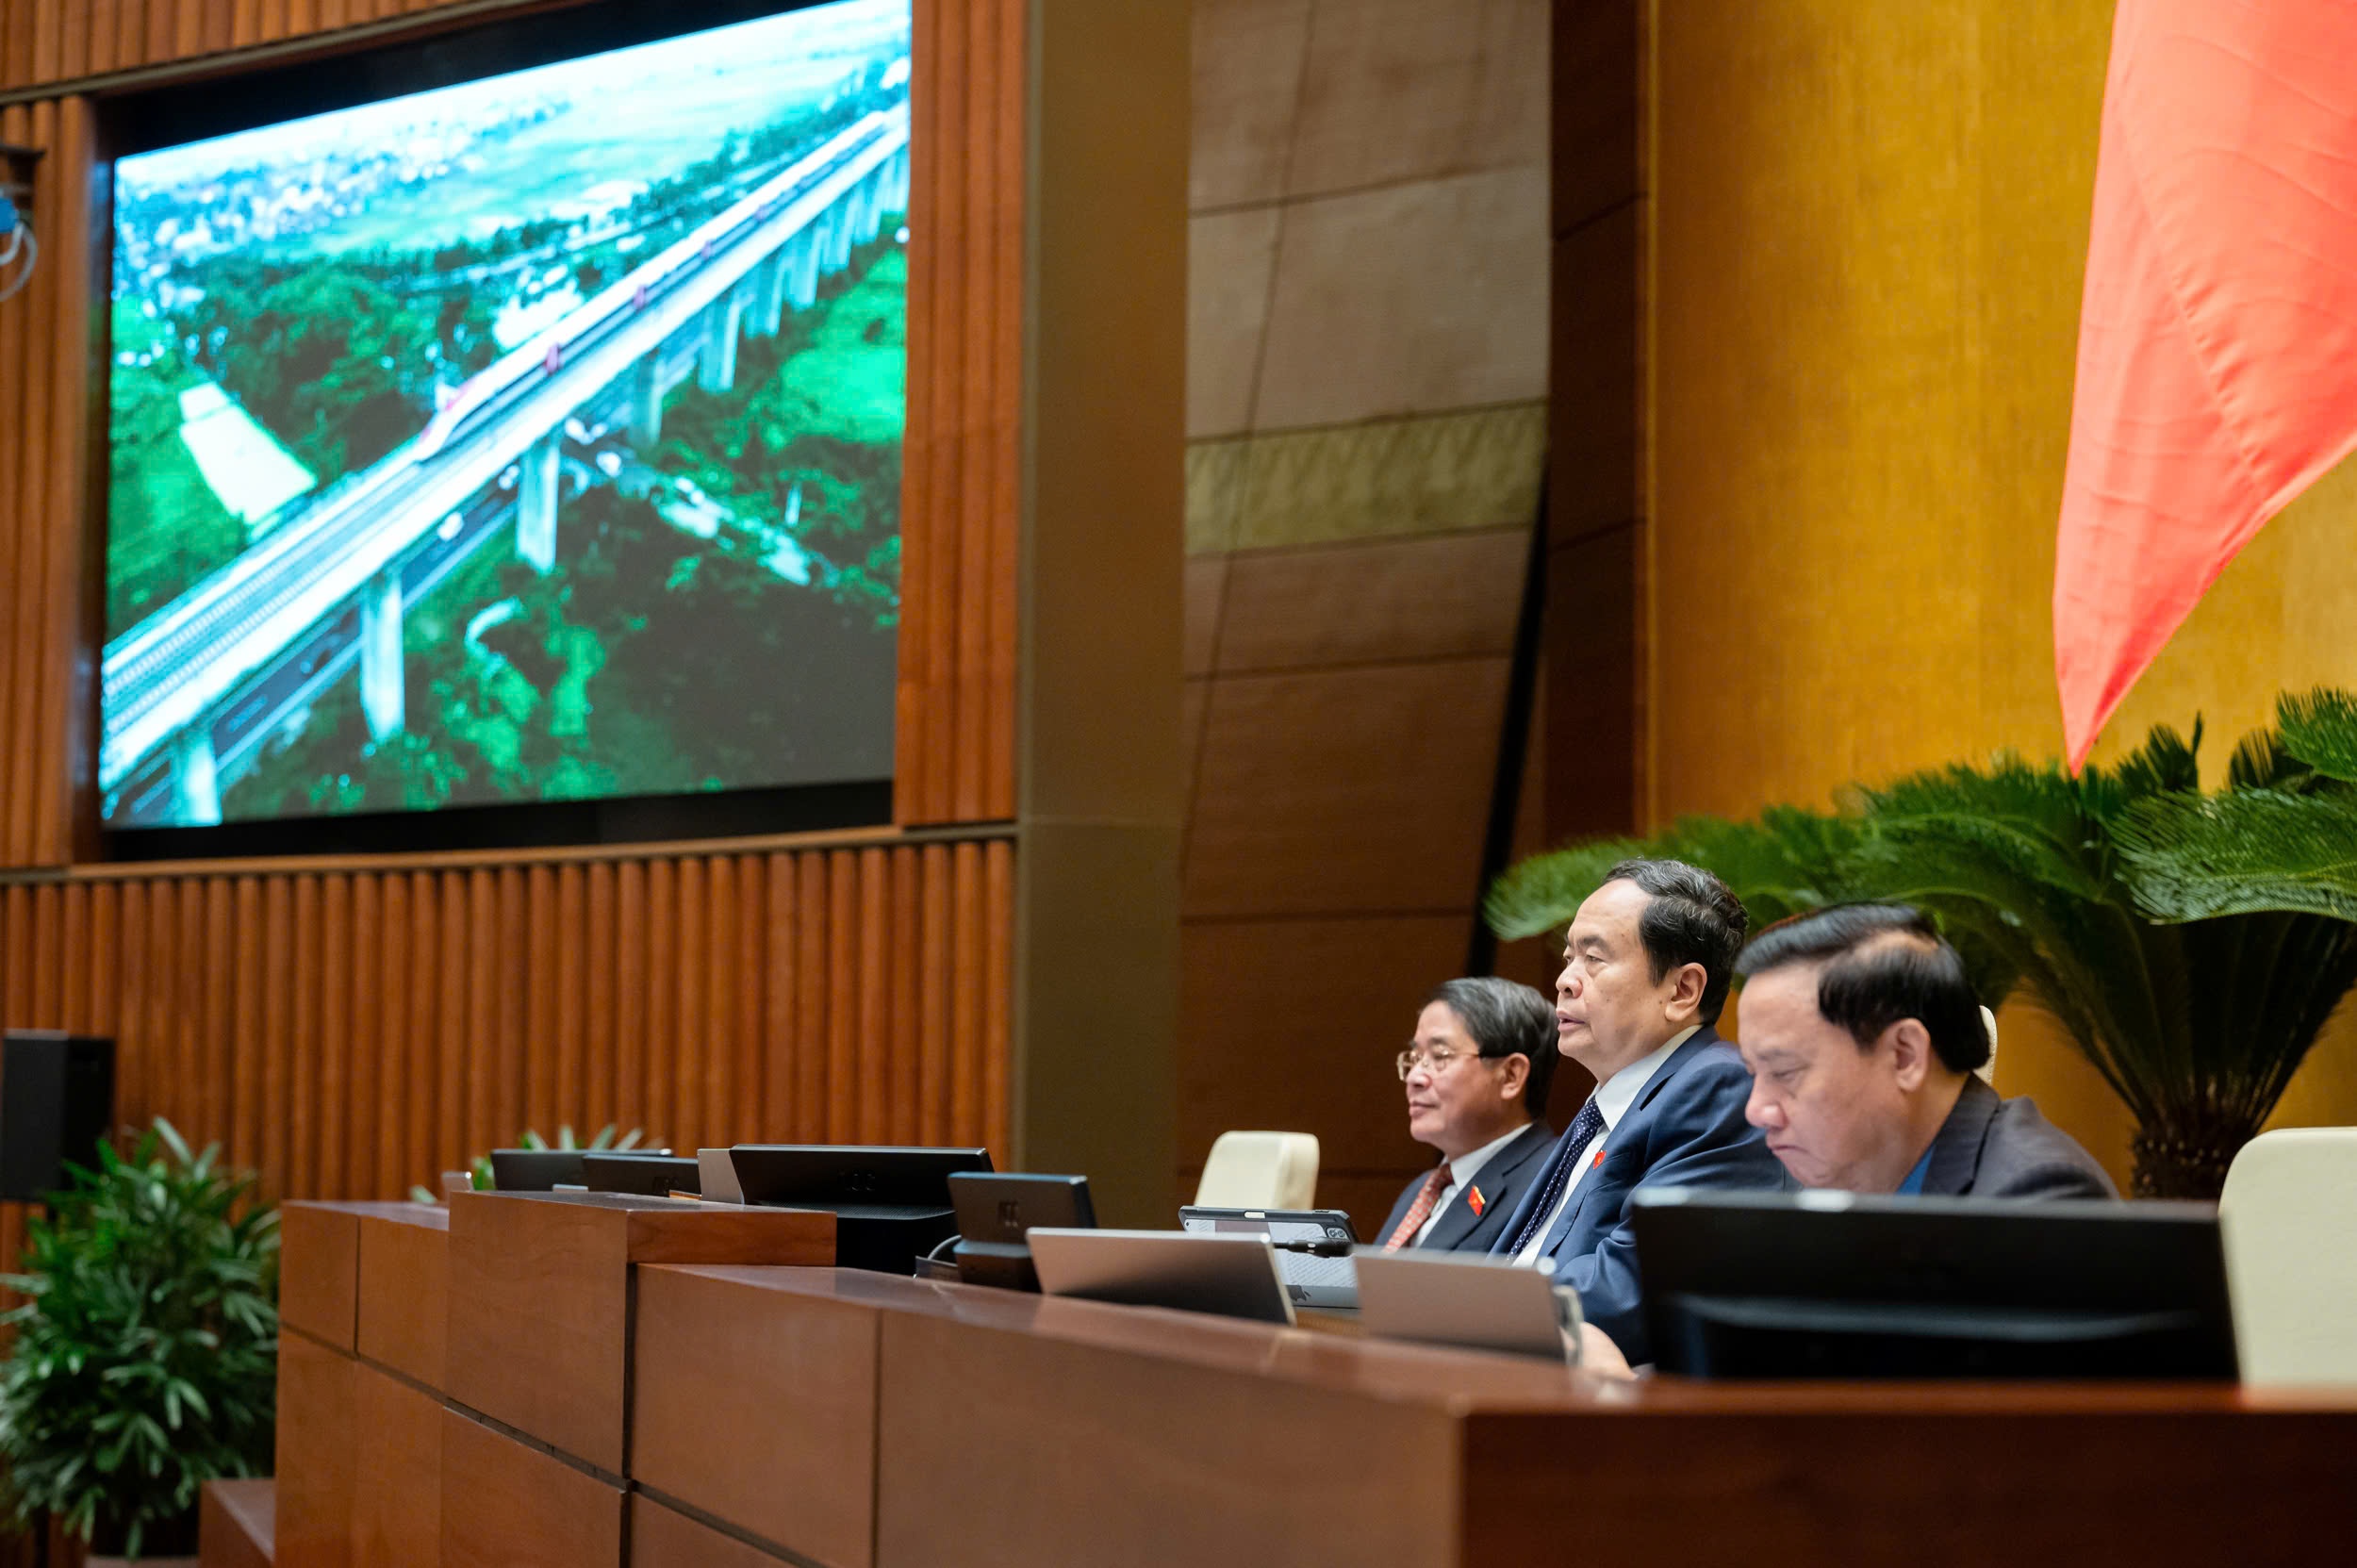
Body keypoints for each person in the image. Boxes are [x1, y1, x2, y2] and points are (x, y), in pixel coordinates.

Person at [1489, 859, 1788, 1364]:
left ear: (1682, 991)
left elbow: (1633, 1286)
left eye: (1594, 959)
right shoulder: (1609, 1104)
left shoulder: (1717, 1087)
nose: (1564, 980)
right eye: (1569, 958)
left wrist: (1471, 1305)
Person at [1734, 903, 2118, 1198]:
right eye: (1753, 1073)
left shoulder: (2035, 1198)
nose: (1756, 1110)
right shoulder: (1842, 1180)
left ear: (1905, 1055)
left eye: (1784, 1072)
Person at [1375, 978, 1560, 1253]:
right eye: (1414, 1058)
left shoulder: (1551, 1181)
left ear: (1510, 1076)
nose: (1414, 1077)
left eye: (1440, 1056)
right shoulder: (1421, 1190)